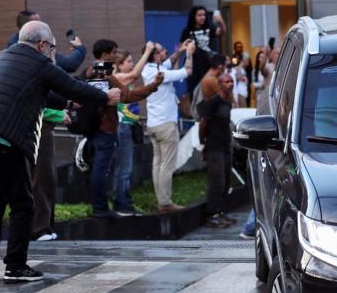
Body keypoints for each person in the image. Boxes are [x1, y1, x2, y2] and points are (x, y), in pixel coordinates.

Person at [0, 21, 118, 281]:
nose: (51, 53)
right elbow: (69, 84)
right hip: (0, 138)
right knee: (23, 203)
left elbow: (47, 93)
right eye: (52, 48)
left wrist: (69, 101)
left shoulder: (3, 56)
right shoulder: (39, 63)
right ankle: (15, 266)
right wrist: (105, 97)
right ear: (42, 44)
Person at [7, 9, 87, 242]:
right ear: (39, 42)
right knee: (39, 177)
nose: (51, 47)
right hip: (33, 126)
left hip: (41, 124)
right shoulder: (29, 60)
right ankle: (39, 228)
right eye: (50, 44)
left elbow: (54, 91)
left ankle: (45, 227)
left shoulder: (26, 58)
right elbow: (36, 99)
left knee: (46, 177)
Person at [84, 39, 163, 218]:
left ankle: (102, 206)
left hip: (95, 128)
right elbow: (127, 96)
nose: (115, 55)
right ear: (105, 54)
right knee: (101, 169)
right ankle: (101, 208)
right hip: (104, 129)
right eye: (113, 52)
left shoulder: (89, 72)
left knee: (101, 169)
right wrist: (153, 86)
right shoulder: (103, 74)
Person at [140, 39, 195, 211]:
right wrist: (190, 53)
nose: (165, 52)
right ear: (155, 55)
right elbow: (187, 70)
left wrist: (181, 50)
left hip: (153, 124)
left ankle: (161, 199)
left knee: (158, 163)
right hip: (166, 125)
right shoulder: (160, 74)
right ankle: (165, 203)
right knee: (167, 165)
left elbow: (169, 61)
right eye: (162, 51)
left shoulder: (148, 69)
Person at [197, 68, 238, 228]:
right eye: (227, 81)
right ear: (219, 85)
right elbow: (203, 123)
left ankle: (220, 212)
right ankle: (211, 214)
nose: (230, 84)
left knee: (226, 180)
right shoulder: (213, 102)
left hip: (225, 145)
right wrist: (202, 143)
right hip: (214, 146)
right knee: (217, 181)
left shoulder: (227, 102)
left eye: (231, 81)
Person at [180, 5, 226, 92]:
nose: (202, 17)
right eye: (199, 15)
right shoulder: (187, 30)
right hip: (194, 64)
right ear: (194, 16)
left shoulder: (209, 28)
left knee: (209, 87)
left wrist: (220, 21)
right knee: (194, 90)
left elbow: (222, 32)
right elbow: (181, 47)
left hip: (208, 62)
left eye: (204, 15)